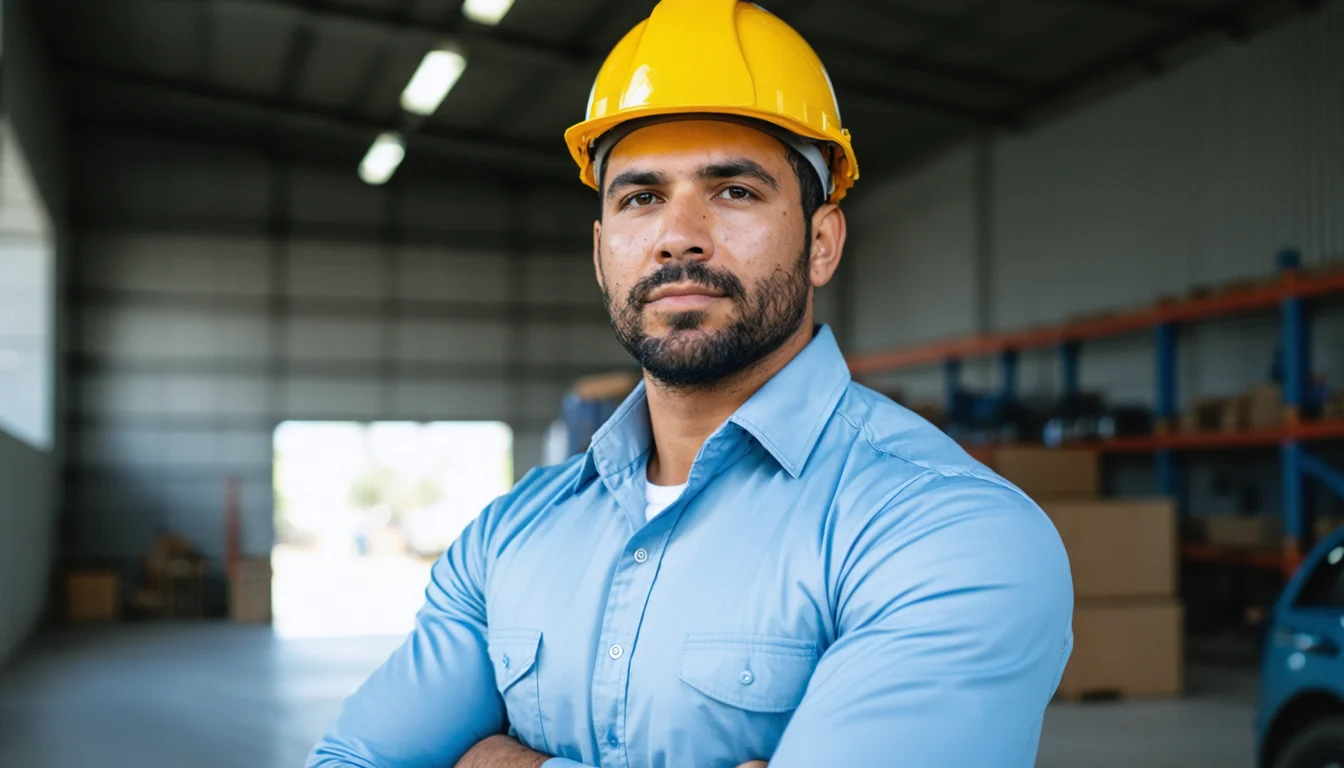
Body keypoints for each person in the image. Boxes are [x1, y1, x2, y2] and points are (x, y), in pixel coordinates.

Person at [308, 1, 1073, 766]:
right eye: (641, 197)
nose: (679, 235)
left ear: (822, 242)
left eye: (734, 190)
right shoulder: (507, 537)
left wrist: (498, 761)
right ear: (603, 253)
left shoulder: (949, 535)